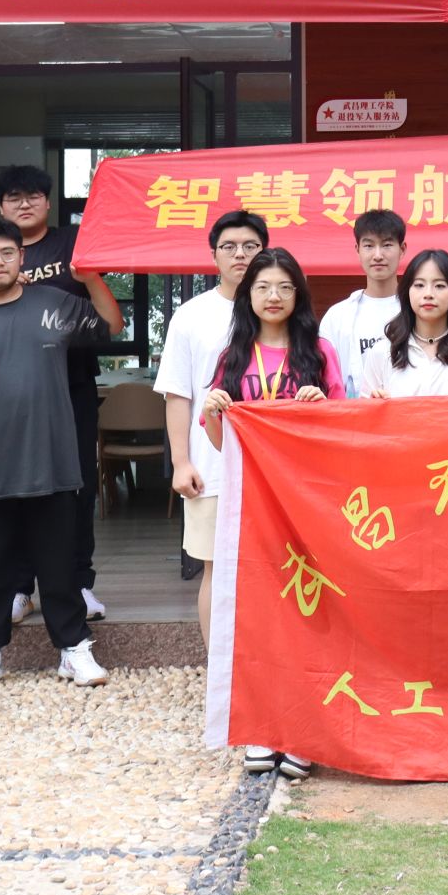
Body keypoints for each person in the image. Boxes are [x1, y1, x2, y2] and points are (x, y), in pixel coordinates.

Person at [0, 217, 123, 692]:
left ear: (22, 257)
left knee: (60, 566)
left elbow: (112, 325)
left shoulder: (52, 304)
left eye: (8, 253)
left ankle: (74, 649)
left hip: (52, 466)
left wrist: (91, 277)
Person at [200, 248, 345, 781]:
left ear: (298, 294)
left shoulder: (319, 352)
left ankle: (304, 731)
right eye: (263, 287)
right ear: (248, 296)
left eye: (285, 286)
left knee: (309, 613)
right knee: (259, 614)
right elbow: (221, 443)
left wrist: (320, 408)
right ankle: (263, 728)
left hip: (308, 502)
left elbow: (344, 428)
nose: (274, 296)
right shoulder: (234, 355)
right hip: (252, 506)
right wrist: (214, 413)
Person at [0, 164, 113, 627]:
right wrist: (7, 286)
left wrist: (89, 277)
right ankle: (20, 589)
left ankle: (78, 582)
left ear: (48, 201)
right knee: (15, 489)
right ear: (1, 207)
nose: (25, 204)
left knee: (77, 486)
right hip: (8, 394)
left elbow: (106, 319)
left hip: (71, 387)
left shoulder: (72, 243)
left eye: (33, 196)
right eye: (14, 198)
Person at [160, 210, 268, 645]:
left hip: (272, 470)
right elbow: (177, 394)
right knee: (214, 568)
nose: (240, 254)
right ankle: (217, 665)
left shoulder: (279, 307)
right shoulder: (192, 316)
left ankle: (265, 663)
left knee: (273, 569)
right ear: (213, 256)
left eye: (250, 246)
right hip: (212, 466)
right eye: (229, 247)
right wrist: (181, 462)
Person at [361, 249, 448, 398]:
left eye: (439, 286)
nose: (428, 294)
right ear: (407, 291)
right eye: (419, 285)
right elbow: (365, 409)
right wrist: (375, 403)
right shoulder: (383, 351)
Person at [319, 208, 407, 396]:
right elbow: (325, 377)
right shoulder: (337, 316)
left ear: (402, 249)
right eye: (369, 246)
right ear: (357, 250)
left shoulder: (418, 310)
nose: (378, 255)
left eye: (387, 245)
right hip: (352, 413)